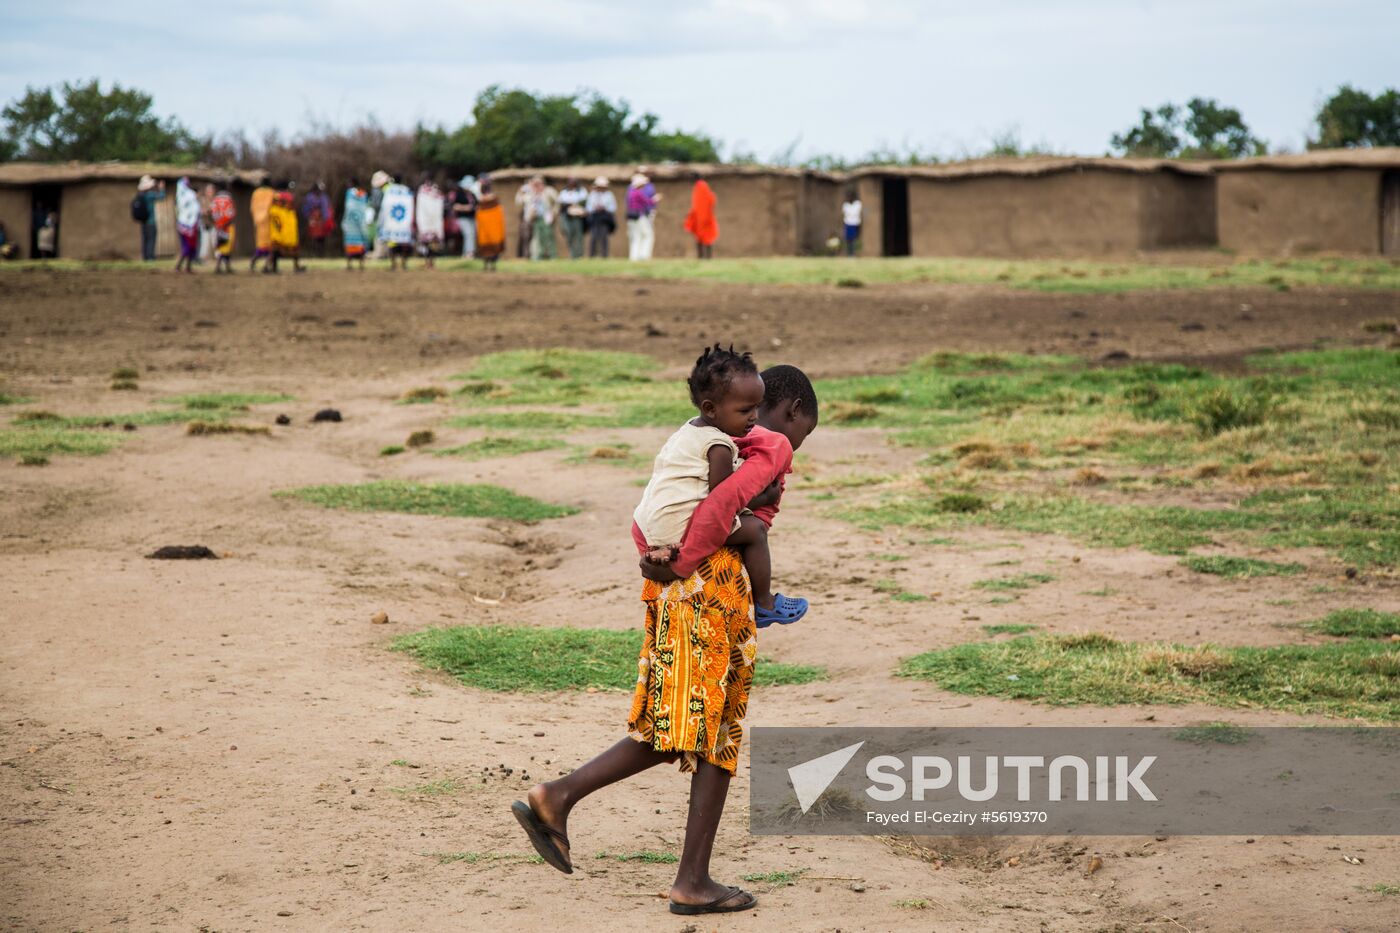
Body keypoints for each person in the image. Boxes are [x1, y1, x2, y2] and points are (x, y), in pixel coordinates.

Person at [511, 360, 820, 917]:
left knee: (708, 732)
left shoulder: (712, 446)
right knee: (689, 729)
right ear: (791, 413)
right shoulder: (729, 450)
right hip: (697, 601)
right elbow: (711, 519)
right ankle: (562, 799)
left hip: (709, 603)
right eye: (800, 434)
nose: (791, 451)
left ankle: (686, 875)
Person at [634, 345, 809, 626]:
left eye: (757, 408)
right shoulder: (720, 447)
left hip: (649, 524)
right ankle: (764, 602)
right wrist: (765, 497)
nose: (754, 417)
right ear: (710, 409)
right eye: (745, 410)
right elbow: (723, 500)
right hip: (680, 525)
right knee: (755, 531)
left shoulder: (688, 431)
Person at [377, 175, 415, 271]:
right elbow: (410, 207)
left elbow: (385, 206)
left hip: (391, 222)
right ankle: (404, 264)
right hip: (404, 222)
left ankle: (393, 264)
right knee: (403, 244)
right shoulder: (406, 191)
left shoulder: (389, 191)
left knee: (392, 244)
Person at [683, 172, 719, 260]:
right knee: (701, 237)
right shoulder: (699, 186)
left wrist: (704, 214)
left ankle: (707, 257)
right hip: (700, 216)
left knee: (706, 237)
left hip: (704, 217)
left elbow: (710, 200)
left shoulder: (702, 186)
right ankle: (701, 257)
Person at [268, 187, 304, 273]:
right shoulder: (275, 211)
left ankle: (296, 266)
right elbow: (278, 225)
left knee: (294, 251)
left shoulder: (288, 212)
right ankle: (270, 267)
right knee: (275, 251)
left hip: (289, 236)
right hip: (278, 235)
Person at [474, 177, 506, 271]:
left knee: (486, 247)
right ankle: (492, 266)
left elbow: (479, 214)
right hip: (493, 229)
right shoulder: (494, 199)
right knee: (493, 247)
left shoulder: (483, 201)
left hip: (486, 229)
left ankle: (487, 265)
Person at [415, 175, 445, 269]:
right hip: (431, 222)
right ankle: (429, 262)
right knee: (429, 243)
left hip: (429, 222)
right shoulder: (435, 192)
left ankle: (430, 262)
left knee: (430, 243)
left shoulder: (431, 192)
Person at [626, 173, 657, 261]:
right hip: (639, 216)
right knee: (647, 235)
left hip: (632, 217)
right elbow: (648, 202)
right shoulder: (638, 193)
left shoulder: (631, 192)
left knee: (636, 236)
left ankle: (634, 257)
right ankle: (644, 255)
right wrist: (655, 200)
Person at [525, 175, 558, 261]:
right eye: (535, 184)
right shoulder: (532, 194)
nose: (537, 186)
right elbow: (524, 204)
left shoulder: (549, 192)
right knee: (537, 238)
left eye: (538, 184)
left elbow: (557, 203)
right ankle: (538, 256)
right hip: (536, 218)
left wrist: (554, 213)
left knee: (549, 237)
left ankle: (553, 256)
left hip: (547, 218)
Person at [134, 175, 166, 262]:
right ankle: (150, 257)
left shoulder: (141, 195)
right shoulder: (149, 195)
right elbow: (162, 196)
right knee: (151, 239)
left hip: (144, 222)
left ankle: (145, 257)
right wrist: (162, 188)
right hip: (151, 221)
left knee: (145, 239)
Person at [342, 179, 370, 271]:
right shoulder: (363, 194)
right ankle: (360, 264)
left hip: (351, 221)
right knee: (360, 241)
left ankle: (350, 264)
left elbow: (348, 206)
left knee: (351, 242)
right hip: (359, 220)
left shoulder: (350, 193)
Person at [557, 177, 588, 260]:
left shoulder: (582, 191)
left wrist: (576, 206)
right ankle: (572, 254)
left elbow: (584, 203)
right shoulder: (564, 192)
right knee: (569, 235)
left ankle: (579, 255)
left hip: (577, 218)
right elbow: (561, 204)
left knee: (578, 236)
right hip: (567, 217)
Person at [174, 177, 200, 273]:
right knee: (188, 246)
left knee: (188, 246)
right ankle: (179, 265)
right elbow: (195, 210)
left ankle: (187, 266)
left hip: (182, 224)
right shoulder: (190, 195)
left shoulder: (180, 196)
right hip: (190, 225)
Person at [585, 176, 616, 258]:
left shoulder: (609, 195)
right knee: (594, 237)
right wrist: (595, 208)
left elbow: (613, 208)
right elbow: (588, 208)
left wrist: (604, 208)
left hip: (604, 218)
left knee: (604, 237)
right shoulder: (592, 195)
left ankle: (604, 255)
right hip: (595, 217)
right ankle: (592, 255)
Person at [302, 181, 335, 258]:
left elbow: (326, 208)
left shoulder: (324, 197)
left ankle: (321, 253)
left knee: (322, 236)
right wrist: (309, 217)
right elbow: (306, 208)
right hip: (313, 218)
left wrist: (326, 218)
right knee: (314, 236)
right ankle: (314, 253)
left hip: (322, 219)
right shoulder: (309, 197)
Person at [210, 181, 237, 274]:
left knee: (221, 245)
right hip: (228, 226)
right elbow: (231, 213)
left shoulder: (215, 200)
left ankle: (227, 267)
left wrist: (219, 224)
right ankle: (218, 267)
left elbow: (214, 214)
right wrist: (226, 223)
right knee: (226, 247)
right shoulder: (229, 199)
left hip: (219, 226)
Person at [249, 179, 275, 272]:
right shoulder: (271, 193)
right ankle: (266, 266)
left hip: (258, 222)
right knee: (270, 245)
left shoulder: (256, 193)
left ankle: (253, 261)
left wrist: (256, 218)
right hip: (268, 222)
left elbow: (252, 207)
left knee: (261, 244)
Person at [453, 175, 478, 258]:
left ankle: (468, 253)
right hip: (463, 218)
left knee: (472, 234)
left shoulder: (473, 195)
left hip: (472, 218)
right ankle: (469, 253)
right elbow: (455, 206)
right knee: (468, 234)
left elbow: (476, 205)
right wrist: (465, 208)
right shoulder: (459, 195)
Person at [841, 191, 862, 257]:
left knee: (854, 239)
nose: (850, 198)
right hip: (848, 223)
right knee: (848, 239)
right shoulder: (845, 205)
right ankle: (849, 253)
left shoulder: (858, 204)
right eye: (848, 196)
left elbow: (859, 214)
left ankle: (853, 253)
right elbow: (843, 214)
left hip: (855, 224)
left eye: (851, 196)